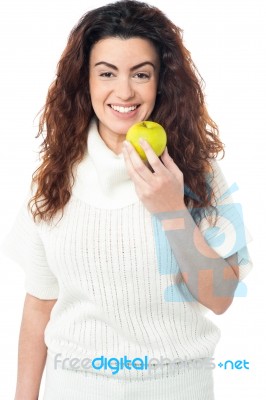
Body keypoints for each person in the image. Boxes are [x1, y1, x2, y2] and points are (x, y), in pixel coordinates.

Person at [2, 1, 253, 399]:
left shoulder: (199, 174)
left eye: (141, 74)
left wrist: (171, 209)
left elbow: (221, 297)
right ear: (85, 81)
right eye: (107, 73)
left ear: (161, 82)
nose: (124, 92)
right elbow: (39, 304)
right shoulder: (54, 177)